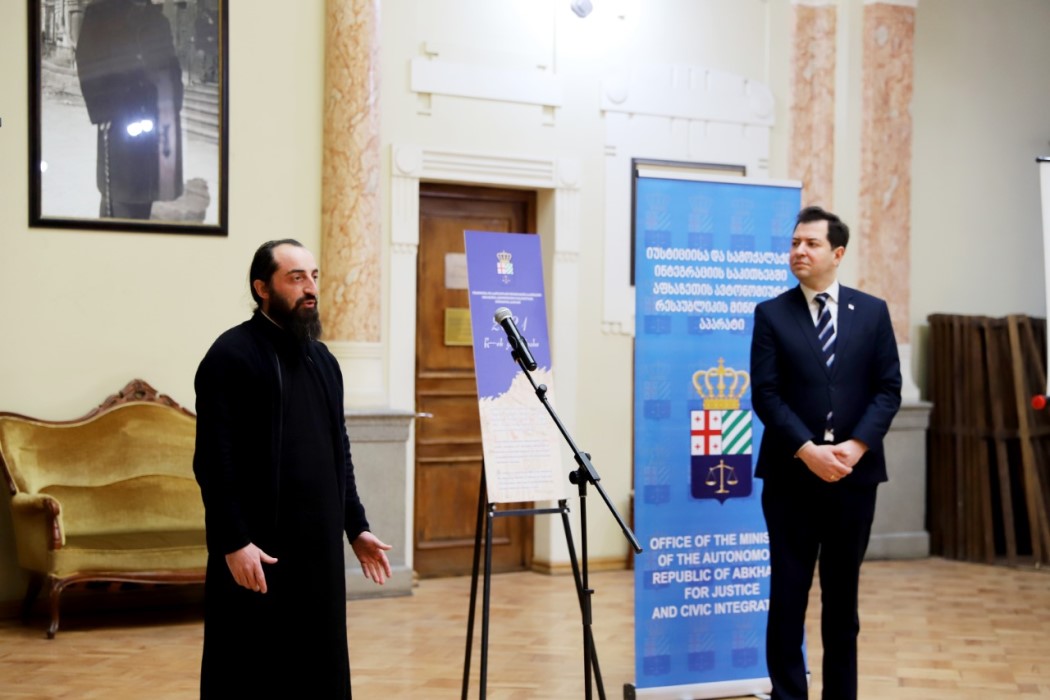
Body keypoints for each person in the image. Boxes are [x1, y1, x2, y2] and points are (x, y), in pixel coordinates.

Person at [193, 239, 392, 698]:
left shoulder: (323, 361)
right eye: (296, 277)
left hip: (318, 555)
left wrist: (356, 527)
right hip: (258, 552)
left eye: (314, 276)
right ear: (262, 288)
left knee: (319, 671)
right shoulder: (230, 355)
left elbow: (338, 452)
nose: (310, 288)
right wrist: (233, 542)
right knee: (250, 674)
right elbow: (214, 461)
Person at [750, 206, 901, 700]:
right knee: (788, 598)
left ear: (837, 253)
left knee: (842, 601)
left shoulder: (872, 312)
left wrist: (856, 447)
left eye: (811, 244)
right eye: (795, 242)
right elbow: (766, 395)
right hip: (791, 479)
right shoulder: (772, 314)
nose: (799, 251)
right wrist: (807, 450)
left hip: (854, 479)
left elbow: (888, 389)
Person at [75, 0, 184, 219]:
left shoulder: (158, 20)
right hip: (120, 119)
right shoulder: (101, 13)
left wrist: (172, 102)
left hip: (154, 119)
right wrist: (105, 110)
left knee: (145, 195)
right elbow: (87, 61)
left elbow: (171, 67)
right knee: (119, 197)